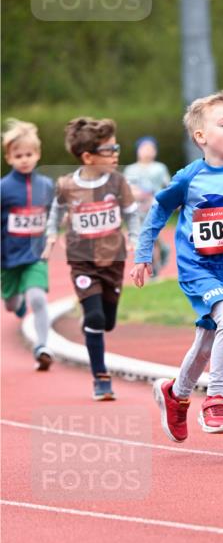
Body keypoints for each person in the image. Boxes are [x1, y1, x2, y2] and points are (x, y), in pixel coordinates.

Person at [131, 90, 223, 441]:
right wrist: (142, 254)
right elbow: (157, 212)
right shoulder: (189, 177)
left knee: (207, 340)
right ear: (201, 137)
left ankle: (176, 394)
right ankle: (215, 400)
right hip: (197, 267)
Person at [45, 117, 140, 400]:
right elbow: (55, 214)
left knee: (107, 321)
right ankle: (101, 378)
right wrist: (51, 235)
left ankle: (91, 323)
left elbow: (132, 213)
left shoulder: (117, 182)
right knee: (96, 317)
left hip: (113, 260)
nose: (116, 154)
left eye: (116, 148)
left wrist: (134, 236)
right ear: (88, 156)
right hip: (82, 260)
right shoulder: (66, 185)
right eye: (109, 150)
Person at [1, 119, 54, 370]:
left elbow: (54, 214)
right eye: (18, 155)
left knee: (39, 299)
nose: (24, 159)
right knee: (11, 304)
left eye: (29, 154)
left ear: (38, 155)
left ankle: (42, 347)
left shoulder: (45, 185)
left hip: (35, 255)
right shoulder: (3, 188)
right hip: (8, 258)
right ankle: (17, 303)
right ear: (9, 158)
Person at [124, 136, 171, 277]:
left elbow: (168, 186)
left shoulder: (160, 168)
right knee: (145, 238)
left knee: (154, 238)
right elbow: (127, 188)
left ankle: (163, 250)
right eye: (144, 148)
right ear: (138, 151)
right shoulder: (131, 170)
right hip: (137, 210)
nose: (147, 152)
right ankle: (153, 271)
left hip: (155, 208)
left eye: (150, 149)